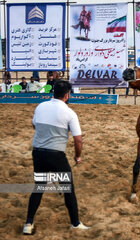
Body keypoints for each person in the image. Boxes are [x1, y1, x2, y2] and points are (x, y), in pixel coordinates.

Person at [23, 80, 90, 235]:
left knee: (38, 188)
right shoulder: (69, 113)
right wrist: (78, 156)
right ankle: (75, 223)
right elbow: (78, 139)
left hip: (38, 153)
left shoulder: (40, 106)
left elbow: (34, 125)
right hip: (56, 156)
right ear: (67, 95)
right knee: (68, 190)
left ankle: (28, 223)